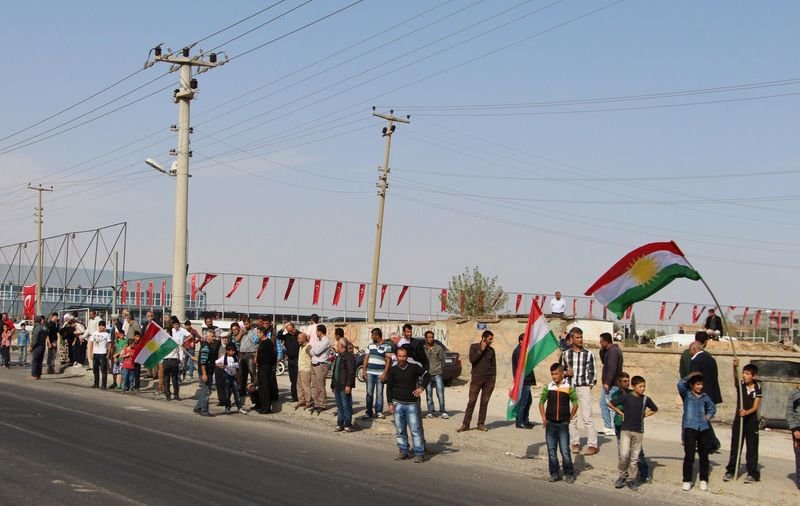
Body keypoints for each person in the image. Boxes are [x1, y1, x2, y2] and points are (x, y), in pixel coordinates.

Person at [609, 375, 657, 490]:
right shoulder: (627, 397)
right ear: (634, 387)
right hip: (625, 430)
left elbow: (654, 409)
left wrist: (644, 415)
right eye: (640, 386)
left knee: (634, 458)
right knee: (624, 455)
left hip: (638, 431)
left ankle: (631, 479)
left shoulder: (646, 399)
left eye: (644, 386)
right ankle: (622, 476)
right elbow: (610, 403)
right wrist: (620, 413)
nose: (643, 389)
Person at [387, 347, 430, 463]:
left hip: (412, 404)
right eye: (400, 356)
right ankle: (403, 451)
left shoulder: (414, 367)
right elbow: (389, 388)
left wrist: (421, 388)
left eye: (404, 356)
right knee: (400, 430)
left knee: (415, 430)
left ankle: (419, 453)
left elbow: (427, 376)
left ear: (407, 356)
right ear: (396, 356)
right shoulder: (393, 370)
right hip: (397, 404)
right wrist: (390, 403)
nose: (402, 358)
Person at [560, 327, 598, 455]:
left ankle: (592, 444)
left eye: (581, 337)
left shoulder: (589, 354)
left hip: (583, 387)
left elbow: (593, 372)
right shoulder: (566, 354)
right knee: (572, 417)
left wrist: (589, 385)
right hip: (570, 387)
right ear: (571, 339)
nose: (580, 340)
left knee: (587, 417)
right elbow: (560, 372)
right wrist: (566, 373)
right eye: (577, 337)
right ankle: (575, 442)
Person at [678, 371, 717, 492]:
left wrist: (708, 416)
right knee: (689, 456)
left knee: (704, 456)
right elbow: (680, 384)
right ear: (692, 385)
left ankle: (703, 479)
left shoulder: (705, 397)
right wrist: (691, 375)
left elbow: (712, 408)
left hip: (703, 428)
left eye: (701, 384)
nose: (700, 387)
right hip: (690, 427)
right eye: (697, 384)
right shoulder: (687, 395)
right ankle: (687, 480)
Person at [539, 362, 578, 483]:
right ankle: (554, 473)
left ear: (562, 374)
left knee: (565, 450)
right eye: (552, 374)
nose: (554, 376)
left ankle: (569, 473)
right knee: (551, 450)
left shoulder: (568, 387)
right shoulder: (548, 387)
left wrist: (570, 417)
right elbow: (541, 402)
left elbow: (575, 403)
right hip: (550, 423)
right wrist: (544, 418)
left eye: (556, 374)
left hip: (563, 424)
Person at [723, 360, 761, 483]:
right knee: (736, 446)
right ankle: (731, 471)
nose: (744, 375)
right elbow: (735, 377)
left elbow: (755, 407)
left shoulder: (758, 387)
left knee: (752, 448)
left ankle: (752, 473)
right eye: (744, 373)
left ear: (753, 376)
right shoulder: (741, 385)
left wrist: (746, 412)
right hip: (739, 421)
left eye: (747, 373)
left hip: (752, 421)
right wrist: (735, 367)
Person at [457, 330, 496, 433]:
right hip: (476, 378)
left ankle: (481, 424)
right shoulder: (474, 347)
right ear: (484, 338)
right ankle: (466, 424)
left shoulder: (491, 350)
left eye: (492, 339)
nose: (491, 341)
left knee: (484, 402)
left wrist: (493, 379)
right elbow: (472, 360)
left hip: (488, 380)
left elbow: (493, 366)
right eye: (490, 339)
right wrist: (481, 350)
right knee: (471, 401)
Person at [688, 338, 722, 451]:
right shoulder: (711, 359)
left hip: (701, 394)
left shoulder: (696, 361)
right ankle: (711, 442)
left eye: (690, 350)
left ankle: (712, 442)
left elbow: (693, 378)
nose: (689, 353)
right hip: (712, 393)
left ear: (694, 349)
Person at [362, 328, 391, 419]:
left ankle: (379, 411)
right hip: (370, 372)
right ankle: (369, 412)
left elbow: (388, 361)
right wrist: (364, 371)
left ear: (377, 335)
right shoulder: (370, 346)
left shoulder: (387, 346)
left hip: (380, 373)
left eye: (372, 335)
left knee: (379, 393)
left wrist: (385, 373)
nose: (371, 337)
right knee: (369, 393)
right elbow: (366, 358)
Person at [599, 332, 623, 436]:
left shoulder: (613, 352)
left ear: (605, 341)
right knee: (603, 403)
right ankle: (608, 426)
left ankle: (613, 427)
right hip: (610, 383)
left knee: (611, 405)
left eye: (601, 341)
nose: (600, 343)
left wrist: (607, 382)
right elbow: (604, 362)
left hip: (612, 384)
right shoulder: (609, 351)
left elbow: (612, 368)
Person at [330, 337, 356, 432]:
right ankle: (340, 424)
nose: (336, 346)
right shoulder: (339, 356)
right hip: (337, 385)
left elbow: (351, 372)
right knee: (339, 406)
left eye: (337, 344)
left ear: (341, 345)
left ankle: (347, 424)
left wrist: (348, 385)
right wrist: (333, 385)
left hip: (344, 385)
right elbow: (335, 372)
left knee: (346, 406)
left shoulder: (348, 357)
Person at [512, 332, 536, 428]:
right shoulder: (519, 352)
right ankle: (520, 421)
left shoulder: (523, 351)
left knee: (528, 401)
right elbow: (521, 367)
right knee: (523, 402)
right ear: (521, 341)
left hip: (527, 380)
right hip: (523, 380)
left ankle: (525, 420)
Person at [217, 343, 247, 414]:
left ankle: (239, 407)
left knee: (236, 392)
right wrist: (222, 366)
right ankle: (227, 407)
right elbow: (216, 363)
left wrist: (238, 377)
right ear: (227, 351)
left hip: (233, 376)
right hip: (226, 376)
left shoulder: (235, 357)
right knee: (227, 393)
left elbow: (237, 368)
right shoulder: (224, 358)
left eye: (234, 351)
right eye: (231, 351)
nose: (233, 352)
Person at [424, 330, 448, 419]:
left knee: (440, 393)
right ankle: (431, 411)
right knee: (429, 394)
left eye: (432, 337)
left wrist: (440, 370)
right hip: (427, 374)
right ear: (425, 338)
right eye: (429, 337)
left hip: (437, 373)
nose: (431, 339)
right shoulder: (423, 348)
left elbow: (443, 360)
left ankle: (443, 411)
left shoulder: (438, 348)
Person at [309, 324, 332, 414]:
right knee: (314, 385)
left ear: (320, 331)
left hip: (321, 365)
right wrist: (313, 350)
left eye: (317, 331)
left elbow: (317, 351)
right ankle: (316, 403)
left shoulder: (326, 341)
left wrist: (313, 350)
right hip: (314, 363)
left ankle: (322, 403)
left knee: (320, 385)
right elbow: (312, 351)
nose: (316, 333)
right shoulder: (317, 340)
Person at [164, 316, 187, 401]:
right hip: (166, 360)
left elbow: (180, 349)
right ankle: (167, 394)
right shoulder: (164, 342)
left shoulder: (175, 340)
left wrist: (181, 358)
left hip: (174, 360)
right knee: (166, 378)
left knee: (175, 379)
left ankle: (176, 394)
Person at [193, 330, 215, 417]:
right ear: (207, 337)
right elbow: (203, 362)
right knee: (206, 392)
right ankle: (204, 410)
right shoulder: (206, 347)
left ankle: (198, 407)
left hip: (208, 372)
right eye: (212, 336)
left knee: (204, 391)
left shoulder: (208, 346)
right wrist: (204, 374)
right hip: (206, 373)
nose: (214, 338)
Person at [255, 325, 276, 414]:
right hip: (260, 367)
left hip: (266, 367)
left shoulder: (268, 342)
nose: (257, 335)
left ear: (262, 333)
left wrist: (269, 366)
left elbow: (272, 356)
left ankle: (267, 407)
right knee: (261, 387)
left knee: (265, 387)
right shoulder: (261, 342)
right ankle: (262, 405)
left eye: (258, 333)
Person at [277, 322, 300, 402]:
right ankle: (294, 396)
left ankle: (298, 396)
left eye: (290, 329)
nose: (290, 332)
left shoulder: (299, 335)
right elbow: (278, 336)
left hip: (298, 359)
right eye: (288, 330)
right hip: (290, 360)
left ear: (294, 327)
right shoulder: (287, 336)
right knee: (292, 379)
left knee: (297, 379)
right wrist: (284, 327)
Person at [237, 316, 259, 403]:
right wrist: (241, 332)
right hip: (242, 354)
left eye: (246, 324)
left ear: (250, 323)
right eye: (244, 324)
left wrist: (256, 355)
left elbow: (256, 342)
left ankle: (254, 391)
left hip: (251, 353)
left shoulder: (254, 331)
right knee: (242, 374)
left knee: (252, 373)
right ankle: (242, 391)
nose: (245, 326)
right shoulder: (241, 331)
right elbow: (237, 340)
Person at [89, 320, 111, 389]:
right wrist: (91, 353)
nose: (102, 327)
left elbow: (109, 343)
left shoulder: (106, 334)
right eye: (101, 326)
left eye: (103, 326)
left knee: (103, 370)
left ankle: (103, 385)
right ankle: (96, 383)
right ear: (99, 326)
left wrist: (108, 353)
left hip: (102, 353)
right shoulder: (94, 333)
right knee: (95, 370)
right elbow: (91, 343)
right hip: (95, 353)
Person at [787, 383, 800, 490]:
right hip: (798, 428)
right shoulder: (793, 394)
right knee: (799, 454)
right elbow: (789, 413)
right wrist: (794, 429)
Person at [296, 332, 312, 409]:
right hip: (300, 369)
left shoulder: (308, 347)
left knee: (306, 386)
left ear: (304, 338)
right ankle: (301, 400)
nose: (298, 340)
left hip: (306, 369)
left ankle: (308, 401)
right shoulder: (301, 346)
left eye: (299, 338)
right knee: (299, 386)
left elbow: (312, 356)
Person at [29, 316, 47, 380]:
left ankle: (34, 375)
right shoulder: (43, 327)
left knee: (35, 360)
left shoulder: (37, 328)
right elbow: (46, 335)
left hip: (37, 346)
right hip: (43, 345)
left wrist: (31, 346)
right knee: (40, 361)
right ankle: (38, 375)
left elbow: (35, 338)